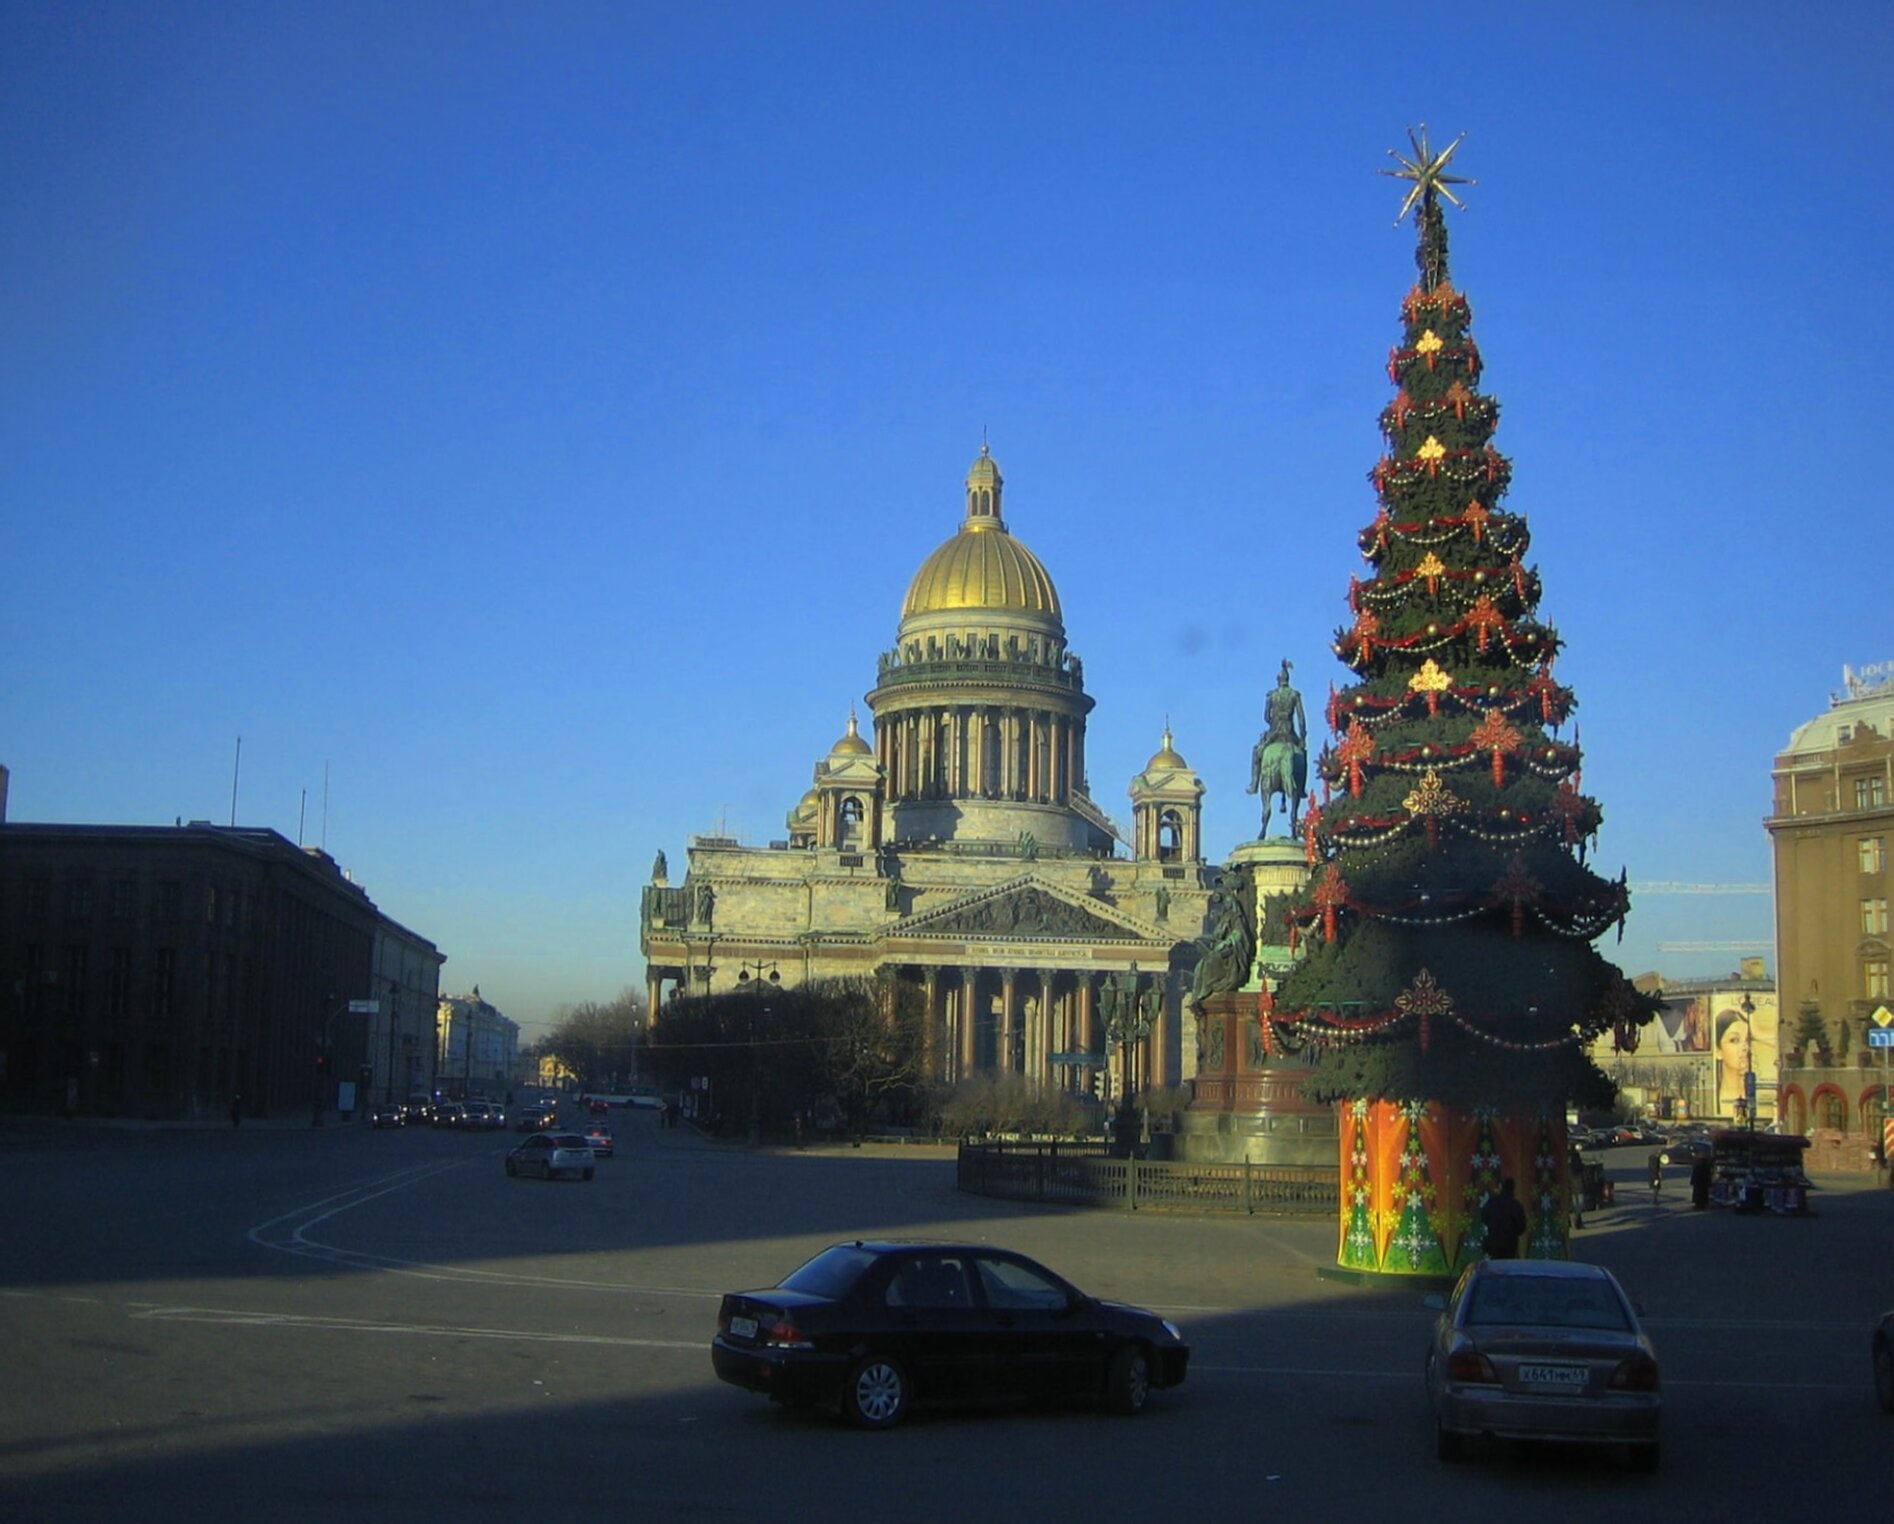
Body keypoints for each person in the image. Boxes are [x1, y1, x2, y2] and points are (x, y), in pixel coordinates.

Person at [1480, 1177, 1528, 1259]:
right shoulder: (1516, 1205)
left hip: (1493, 1244)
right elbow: (1522, 1227)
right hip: (1510, 1245)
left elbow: (1483, 1217)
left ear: (1501, 1187)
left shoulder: (1492, 1202)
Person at [1716, 1009, 1751, 1117]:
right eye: (1735, 1040)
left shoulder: (1755, 1096)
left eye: (1748, 1040)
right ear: (1718, 1051)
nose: (1745, 1047)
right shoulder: (1716, 1099)